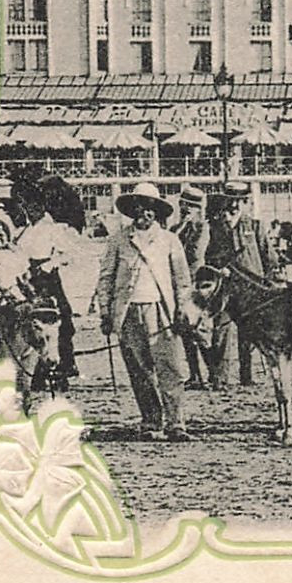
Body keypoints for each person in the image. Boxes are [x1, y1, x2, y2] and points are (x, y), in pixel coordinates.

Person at [95, 183, 199, 441]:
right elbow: (106, 277)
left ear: (157, 212)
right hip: (128, 312)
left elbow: (182, 281)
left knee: (169, 367)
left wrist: (181, 310)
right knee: (140, 370)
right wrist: (106, 313)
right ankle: (151, 421)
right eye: (140, 207)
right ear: (132, 210)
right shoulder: (118, 239)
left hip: (161, 310)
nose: (145, 213)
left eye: (150, 208)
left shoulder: (169, 240)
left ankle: (176, 423)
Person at [11, 178, 78, 389]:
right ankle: (36, 373)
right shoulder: (22, 232)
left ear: (41, 206)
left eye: (34, 205)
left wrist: (49, 264)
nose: (30, 210)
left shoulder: (53, 229)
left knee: (57, 322)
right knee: (31, 325)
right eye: (25, 205)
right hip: (26, 280)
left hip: (47, 280)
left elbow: (69, 255)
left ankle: (60, 371)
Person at [203, 181, 268, 387]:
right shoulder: (216, 228)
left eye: (240, 201)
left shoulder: (255, 226)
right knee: (221, 330)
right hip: (227, 290)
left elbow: (268, 257)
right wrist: (217, 269)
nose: (235, 205)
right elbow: (209, 257)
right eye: (231, 201)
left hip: (252, 289)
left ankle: (246, 376)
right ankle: (219, 377)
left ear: (246, 202)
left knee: (249, 334)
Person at [172, 185, 211, 390]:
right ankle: (195, 375)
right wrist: (179, 228)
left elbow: (195, 256)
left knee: (199, 331)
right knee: (185, 333)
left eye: (191, 207)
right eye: (183, 206)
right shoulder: (176, 229)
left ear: (198, 209)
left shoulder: (203, 229)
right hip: (179, 286)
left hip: (196, 285)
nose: (186, 211)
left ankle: (212, 373)